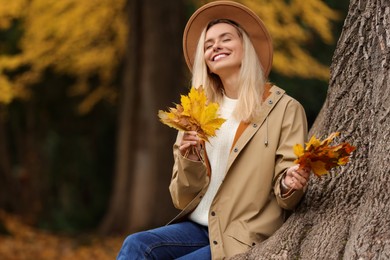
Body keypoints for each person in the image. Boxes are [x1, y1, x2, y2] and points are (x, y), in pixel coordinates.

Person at [117, 1, 310, 259]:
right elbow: (181, 198)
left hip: (242, 234)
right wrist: (190, 160)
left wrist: (289, 182)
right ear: (205, 61)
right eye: (208, 45)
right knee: (136, 245)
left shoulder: (284, 109)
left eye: (225, 39)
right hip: (198, 227)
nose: (215, 47)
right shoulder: (196, 113)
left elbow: (287, 193)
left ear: (246, 47)